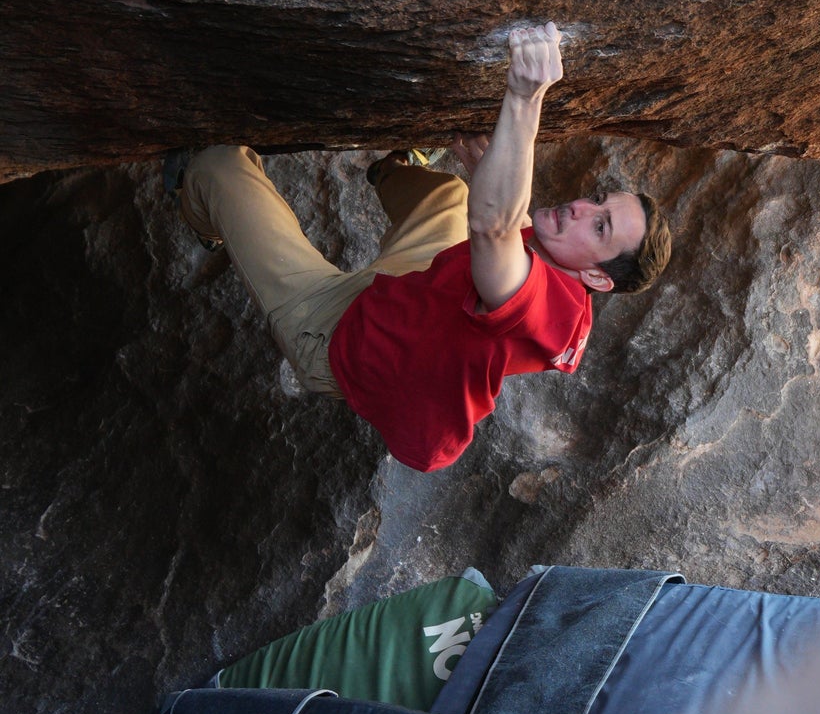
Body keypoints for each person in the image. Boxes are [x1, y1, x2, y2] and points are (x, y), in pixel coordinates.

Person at [172, 24, 671, 472]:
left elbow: (495, 229)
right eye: (599, 199)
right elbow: (511, 224)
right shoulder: (559, 266)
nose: (582, 208)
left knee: (218, 167)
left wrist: (524, 98)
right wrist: (486, 168)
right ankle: (390, 168)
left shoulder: (549, 310)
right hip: (409, 294)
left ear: (598, 279)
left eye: (601, 227)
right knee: (452, 194)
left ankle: (200, 214)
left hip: (339, 337)